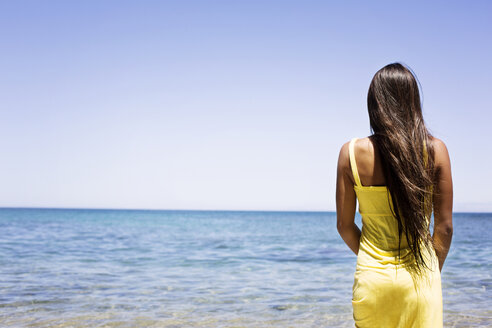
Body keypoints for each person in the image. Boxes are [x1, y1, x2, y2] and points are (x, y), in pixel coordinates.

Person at [336, 62, 453, 327]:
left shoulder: (351, 153)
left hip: (373, 283)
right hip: (422, 282)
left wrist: (371, 257)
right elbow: (444, 228)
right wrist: (432, 272)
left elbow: (344, 226)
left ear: (375, 103)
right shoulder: (435, 151)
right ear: (413, 101)